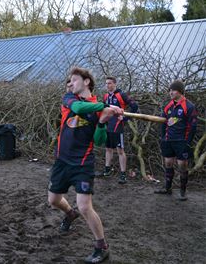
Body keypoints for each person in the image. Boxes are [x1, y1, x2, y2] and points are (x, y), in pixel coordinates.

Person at [48, 67, 123, 263]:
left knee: (85, 206)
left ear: (87, 81)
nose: (70, 84)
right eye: (69, 81)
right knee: (54, 200)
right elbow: (80, 110)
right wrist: (104, 108)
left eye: (73, 80)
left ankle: (102, 247)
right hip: (62, 160)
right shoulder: (69, 99)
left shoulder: (99, 107)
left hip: (83, 163)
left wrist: (102, 122)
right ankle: (69, 213)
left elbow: (99, 141)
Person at [155, 80, 197, 201]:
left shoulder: (189, 106)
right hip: (168, 141)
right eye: (170, 90)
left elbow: (193, 126)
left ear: (179, 91)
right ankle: (167, 188)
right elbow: (163, 122)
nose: (170, 92)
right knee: (168, 163)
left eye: (173, 90)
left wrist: (188, 142)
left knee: (182, 166)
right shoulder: (168, 106)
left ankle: (183, 192)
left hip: (181, 142)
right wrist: (163, 137)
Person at [102, 76, 139, 184]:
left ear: (114, 84)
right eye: (106, 83)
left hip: (118, 127)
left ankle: (123, 175)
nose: (107, 85)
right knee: (108, 149)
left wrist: (126, 118)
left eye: (109, 83)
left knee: (120, 151)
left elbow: (135, 106)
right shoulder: (105, 96)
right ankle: (107, 170)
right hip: (108, 126)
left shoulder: (121, 95)